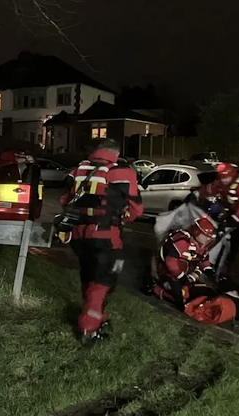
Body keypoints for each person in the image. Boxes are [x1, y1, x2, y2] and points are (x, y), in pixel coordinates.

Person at [59, 138, 143, 345]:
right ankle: (89, 327)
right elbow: (136, 210)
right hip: (105, 236)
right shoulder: (122, 173)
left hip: (78, 236)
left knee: (88, 274)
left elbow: (64, 200)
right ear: (115, 153)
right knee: (105, 279)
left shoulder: (78, 170)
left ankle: (97, 315)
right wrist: (118, 217)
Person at [191, 163, 239, 277]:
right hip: (233, 217)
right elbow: (211, 188)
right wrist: (196, 193)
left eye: (225, 177)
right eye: (222, 178)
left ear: (232, 175)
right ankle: (217, 268)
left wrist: (234, 220)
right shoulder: (222, 183)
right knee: (222, 241)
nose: (224, 180)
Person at [151, 216, 218, 309]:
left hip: (186, 274)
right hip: (166, 272)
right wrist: (181, 278)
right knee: (179, 295)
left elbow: (203, 260)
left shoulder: (203, 245)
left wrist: (208, 270)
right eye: (206, 235)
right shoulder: (182, 240)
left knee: (202, 291)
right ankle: (155, 289)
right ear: (197, 232)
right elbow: (171, 263)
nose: (208, 239)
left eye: (209, 236)